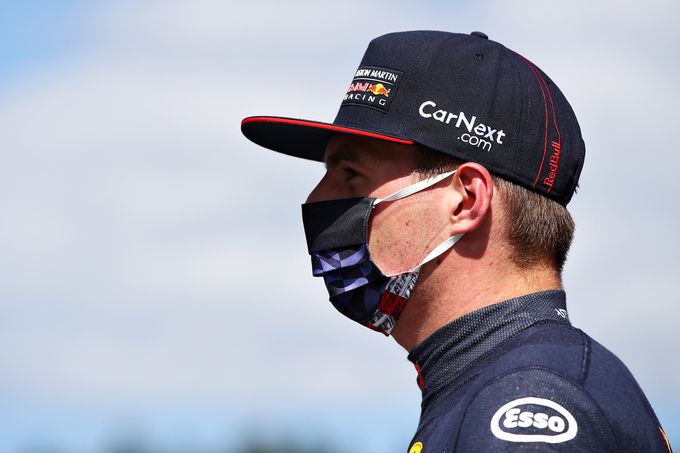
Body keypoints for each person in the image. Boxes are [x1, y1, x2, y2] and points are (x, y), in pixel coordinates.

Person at [241, 31, 672, 452]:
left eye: (350, 173)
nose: (316, 198)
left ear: (466, 201)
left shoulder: (525, 409)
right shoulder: (503, 381)